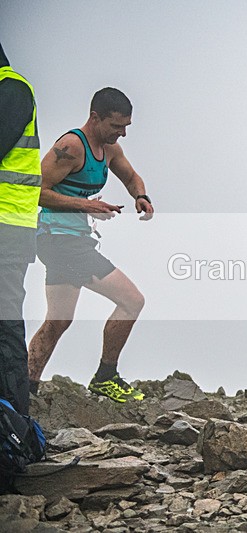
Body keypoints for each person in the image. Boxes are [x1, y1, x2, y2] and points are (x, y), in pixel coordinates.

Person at [27, 87, 154, 403]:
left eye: (126, 126)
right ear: (95, 118)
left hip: (72, 242)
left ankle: (23, 389)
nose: (121, 133)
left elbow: (131, 177)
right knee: (132, 300)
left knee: (58, 320)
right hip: (59, 241)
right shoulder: (71, 146)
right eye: (115, 125)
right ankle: (105, 377)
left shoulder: (109, 149)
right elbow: (36, 191)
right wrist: (86, 206)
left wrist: (141, 196)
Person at [0, 43, 42, 416]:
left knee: (5, 325)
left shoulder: (11, 90)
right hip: (10, 227)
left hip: (7, 229)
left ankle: (13, 427)